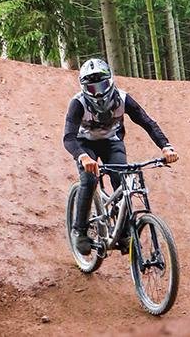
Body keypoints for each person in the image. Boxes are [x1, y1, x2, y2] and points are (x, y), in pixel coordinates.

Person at [63, 58, 178, 256]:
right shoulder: (78, 103)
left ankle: (124, 232)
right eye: (92, 88)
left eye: (102, 85)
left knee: (122, 179)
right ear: (83, 88)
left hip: (112, 142)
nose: (98, 92)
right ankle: (79, 230)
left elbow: (147, 122)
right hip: (84, 144)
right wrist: (82, 157)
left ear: (111, 81)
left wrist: (165, 146)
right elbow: (69, 137)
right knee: (89, 180)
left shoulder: (123, 99)